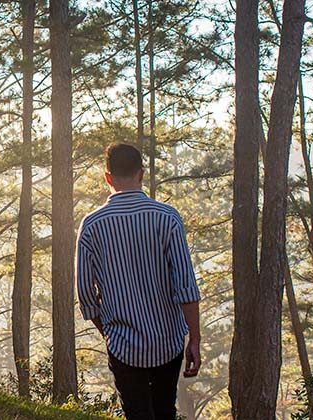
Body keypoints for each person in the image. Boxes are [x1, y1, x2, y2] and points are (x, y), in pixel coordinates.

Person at [76, 143, 201, 420]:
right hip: (167, 341)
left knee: (137, 414)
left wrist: (109, 332)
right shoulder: (167, 218)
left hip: (123, 344)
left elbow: (85, 294)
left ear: (107, 177)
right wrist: (195, 338)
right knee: (165, 410)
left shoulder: (92, 225)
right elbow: (186, 285)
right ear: (142, 174)